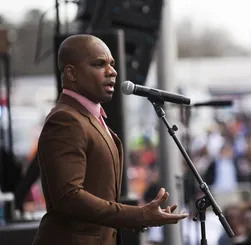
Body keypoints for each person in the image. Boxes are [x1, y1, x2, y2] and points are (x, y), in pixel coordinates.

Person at [32, 34, 188, 245]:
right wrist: (139, 215)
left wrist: (141, 216)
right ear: (71, 72)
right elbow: (68, 197)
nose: (112, 71)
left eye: (112, 64)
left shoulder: (90, 118)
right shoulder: (65, 120)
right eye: (99, 64)